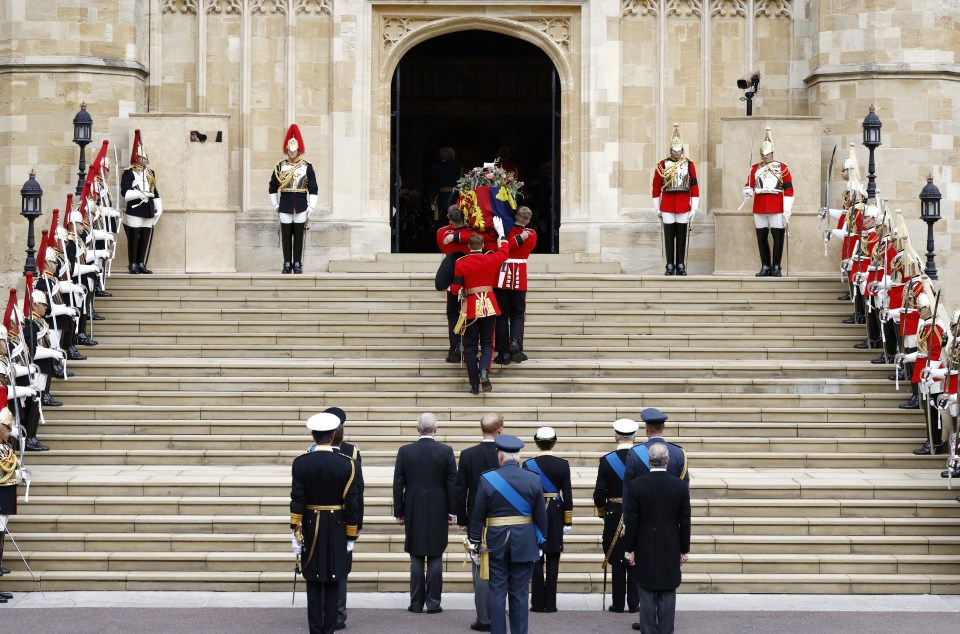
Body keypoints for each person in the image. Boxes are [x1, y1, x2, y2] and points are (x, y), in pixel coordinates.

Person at [468, 434, 548, 634]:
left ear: (500, 456)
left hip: (495, 543)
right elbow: (541, 517)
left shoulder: (487, 479)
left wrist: (474, 543)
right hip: (525, 542)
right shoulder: (534, 479)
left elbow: (477, 516)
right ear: (518, 457)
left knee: (497, 593)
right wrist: (540, 543)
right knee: (520, 594)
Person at [290, 410, 361, 634]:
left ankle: (315, 629)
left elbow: (297, 500)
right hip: (337, 527)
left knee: (312, 580)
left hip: (309, 527)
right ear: (332, 436)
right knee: (333, 579)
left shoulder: (301, 463)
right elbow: (352, 503)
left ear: (314, 436)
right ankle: (330, 628)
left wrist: (295, 531)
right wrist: (351, 535)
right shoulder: (347, 463)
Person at [623, 442, 691, 634]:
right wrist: (684, 549)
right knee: (668, 592)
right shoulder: (679, 486)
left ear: (649, 460)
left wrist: (629, 548)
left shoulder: (637, 485)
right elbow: (685, 520)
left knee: (645, 592)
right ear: (667, 461)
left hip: (644, 544)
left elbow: (633, 519)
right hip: (671, 544)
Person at [393, 412, 457, 614]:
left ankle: (416, 603)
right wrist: (453, 511)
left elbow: (398, 484)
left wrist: (399, 511)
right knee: (436, 553)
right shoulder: (446, 451)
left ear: (417, 429)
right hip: (439, 505)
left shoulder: (405, 451)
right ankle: (433, 602)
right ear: (435, 429)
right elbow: (452, 484)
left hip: (413, 505)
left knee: (416, 554)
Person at [455, 412, 504, 632]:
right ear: (500, 430)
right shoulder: (506, 453)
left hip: (477, 519)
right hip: (502, 518)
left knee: (479, 572)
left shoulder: (468, 454)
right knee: (501, 570)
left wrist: (462, 519)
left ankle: (483, 618)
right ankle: (498, 616)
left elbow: (461, 489)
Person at [450, 231, 511, 394]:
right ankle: (484, 369)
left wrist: (451, 288)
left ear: (468, 246)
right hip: (489, 305)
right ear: (483, 246)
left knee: (470, 346)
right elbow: (504, 252)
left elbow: (456, 288)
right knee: (486, 343)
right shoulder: (490, 258)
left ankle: (475, 384)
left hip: (471, 307)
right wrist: (503, 238)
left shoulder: (461, 262)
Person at [522, 426, 572, 613]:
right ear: (554, 441)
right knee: (553, 557)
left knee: (536, 558)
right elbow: (567, 494)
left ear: (536, 442)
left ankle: (537, 602)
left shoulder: (528, 464)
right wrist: (568, 521)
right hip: (556, 513)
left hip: (535, 512)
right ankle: (550, 604)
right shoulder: (563, 464)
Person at [593, 418, 640, 614]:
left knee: (617, 556)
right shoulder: (642, 459)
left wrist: (603, 512)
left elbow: (599, 495)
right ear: (635, 438)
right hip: (637, 513)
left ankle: (618, 603)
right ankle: (634, 603)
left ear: (616, 438)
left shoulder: (607, 460)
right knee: (635, 556)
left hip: (613, 513)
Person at [328, 406, 364, 631]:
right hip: (341, 518)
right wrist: (356, 524)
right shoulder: (350, 453)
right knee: (340, 568)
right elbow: (357, 494)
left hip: (320, 518)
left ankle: (328, 613)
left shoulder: (352, 451)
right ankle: (338, 614)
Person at [743, 127, 794, 277]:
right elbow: (749, 185)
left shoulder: (782, 168)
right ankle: (765, 265)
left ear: (772, 153)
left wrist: (787, 209)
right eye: (763, 154)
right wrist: (747, 191)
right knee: (761, 237)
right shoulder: (754, 169)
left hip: (776, 205)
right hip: (759, 205)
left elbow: (789, 189)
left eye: (768, 154)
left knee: (778, 237)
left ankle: (776, 266)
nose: (765, 157)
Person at [820, 143, 868, 301]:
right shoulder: (850, 188)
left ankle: (853, 292)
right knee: (848, 261)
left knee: (852, 262)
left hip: (854, 231)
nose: (841, 172)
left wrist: (835, 230)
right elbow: (846, 212)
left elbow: (852, 213)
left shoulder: (855, 190)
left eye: (844, 170)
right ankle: (851, 290)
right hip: (850, 224)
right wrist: (829, 212)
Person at [269, 124, 318, 274]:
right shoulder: (279, 167)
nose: (292, 152)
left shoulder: (307, 166)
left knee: (298, 236)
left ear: (298, 149)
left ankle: (297, 263)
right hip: (285, 204)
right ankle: (286, 263)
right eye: (289, 150)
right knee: (285, 236)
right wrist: (275, 204)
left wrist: (311, 207)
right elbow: (272, 186)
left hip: (301, 204)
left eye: (294, 149)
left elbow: (313, 187)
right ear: (287, 150)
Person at [652, 123, 699, 276]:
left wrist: (694, 207)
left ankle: (680, 264)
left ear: (682, 150)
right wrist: (657, 208)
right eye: (674, 150)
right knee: (669, 235)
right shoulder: (662, 165)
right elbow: (656, 187)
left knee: (681, 235)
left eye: (679, 150)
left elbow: (694, 186)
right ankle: (669, 264)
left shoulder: (689, 165)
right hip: (667, 204)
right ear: (670, 150)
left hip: (684, 203)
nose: (677, 153)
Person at [493, 207, 536, 366]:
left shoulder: (506, 233)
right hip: (519, 277)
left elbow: (503, 247)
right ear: (528, 220)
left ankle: (504, 352)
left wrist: (505, 235)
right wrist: (519, 238)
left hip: (502, 277)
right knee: (518, 314)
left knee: (502, 316)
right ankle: (515, 344)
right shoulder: (531, 234)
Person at [121, 129, 163, 274]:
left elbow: (154, 191)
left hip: (148, 209)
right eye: (143, 157)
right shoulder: (128, 173)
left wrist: (159, 207)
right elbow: (125, 193)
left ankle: (140, 263)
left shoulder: (150, 173)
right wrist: (140, 193)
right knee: (133, 237)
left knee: (145, 236)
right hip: (135, 208)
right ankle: (132, 263)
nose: (146, 159)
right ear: (137, 158)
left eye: (146, 157)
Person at [437, 206, 474, 363]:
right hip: (470, 275)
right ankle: (467, 346)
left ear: (449, 218)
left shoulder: (442, 233)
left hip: (452, 277)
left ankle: (456, 346)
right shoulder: (471, 234)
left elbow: (442, 246)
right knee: (469, 313)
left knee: (452, 313)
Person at [0, 404, 21, 603]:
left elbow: (12, 465)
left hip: (5, 494)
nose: (9, 430)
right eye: (7, 427)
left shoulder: (6, 446)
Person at [428, 147, 463, 228]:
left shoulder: (438, 167)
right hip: (455, 195)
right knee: (454, 216)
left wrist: (432, 196)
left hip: (442, 196)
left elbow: (435, 183)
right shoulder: (458, 167)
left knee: (442, 218)